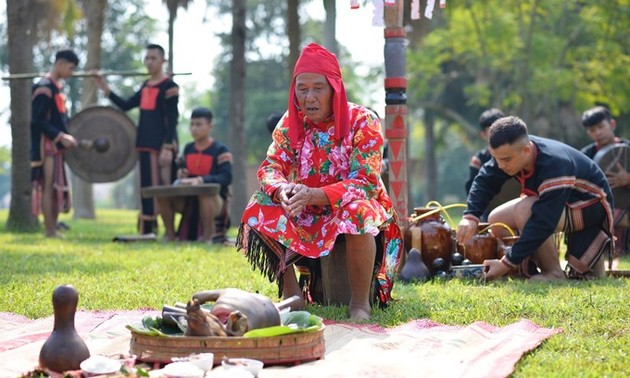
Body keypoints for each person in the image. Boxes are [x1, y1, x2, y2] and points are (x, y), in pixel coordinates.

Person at [236, 43, 402, 321]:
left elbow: (366, 182)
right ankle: (292, 296)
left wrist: (315, 195)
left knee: (358, 212)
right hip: (307, 210)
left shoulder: (364, 121)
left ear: (334, 88)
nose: (309, 97)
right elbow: (271, 167)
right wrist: (282, 190)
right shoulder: (290, 123)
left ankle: (360, 304)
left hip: (351, 208)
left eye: (318, 88)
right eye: (302, 89)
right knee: (259, 205)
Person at [457, 116, 614, 281]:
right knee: (496, 220)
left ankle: (553, 273)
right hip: (561, 204)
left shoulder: (554, 163)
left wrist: (505, 264)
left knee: (526, 210)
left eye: (505, 160)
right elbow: (485, 179)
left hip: (592, 205)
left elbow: (543, 221)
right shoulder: (511, 152)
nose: (500, 165)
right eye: (496, 159)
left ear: (526, 151)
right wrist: (470, 216)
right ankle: (528, 269)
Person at [94, 44, 179, 235]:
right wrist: (105, 88)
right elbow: (125, 105)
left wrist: (167, 147)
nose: (149, 62)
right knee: (147, 188)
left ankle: (171, 232)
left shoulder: (170, 87)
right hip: (145, 144)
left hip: (162, 145)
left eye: (153, 58)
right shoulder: (145, 86)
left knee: (164, 187)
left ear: (162, 61)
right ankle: (148, 228)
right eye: (147, 58)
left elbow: (173, 119)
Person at [157, 107, 233, 243]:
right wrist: (182, 175)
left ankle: (208, 237)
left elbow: (226, 177)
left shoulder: (221, 150)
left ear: (210, 126)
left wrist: (201, 180)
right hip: (188, 201)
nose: (194, 128)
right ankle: (170, 236)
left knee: (205, 194)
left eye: (198, 124)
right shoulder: (188, 148)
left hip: (215, 202)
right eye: (192, 124)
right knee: (162, 195)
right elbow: (184, 173)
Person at [31, 49, 79, 238]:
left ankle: (53, 228)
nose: (71, 72)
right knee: (48, 186)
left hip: (57, 146)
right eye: (70, 68)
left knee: (56, 186)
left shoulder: (57, 88)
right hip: (47, 145)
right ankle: (49, 230)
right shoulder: (44, 87)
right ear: (59, 63)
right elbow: (38, 120)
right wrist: (60, 136)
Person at [580, 106, 630, 269]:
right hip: (600, 210)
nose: (597, 133)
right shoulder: (585, 156)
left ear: (612, 124)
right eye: (592, 130)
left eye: (601, 127)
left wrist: (627, 179)